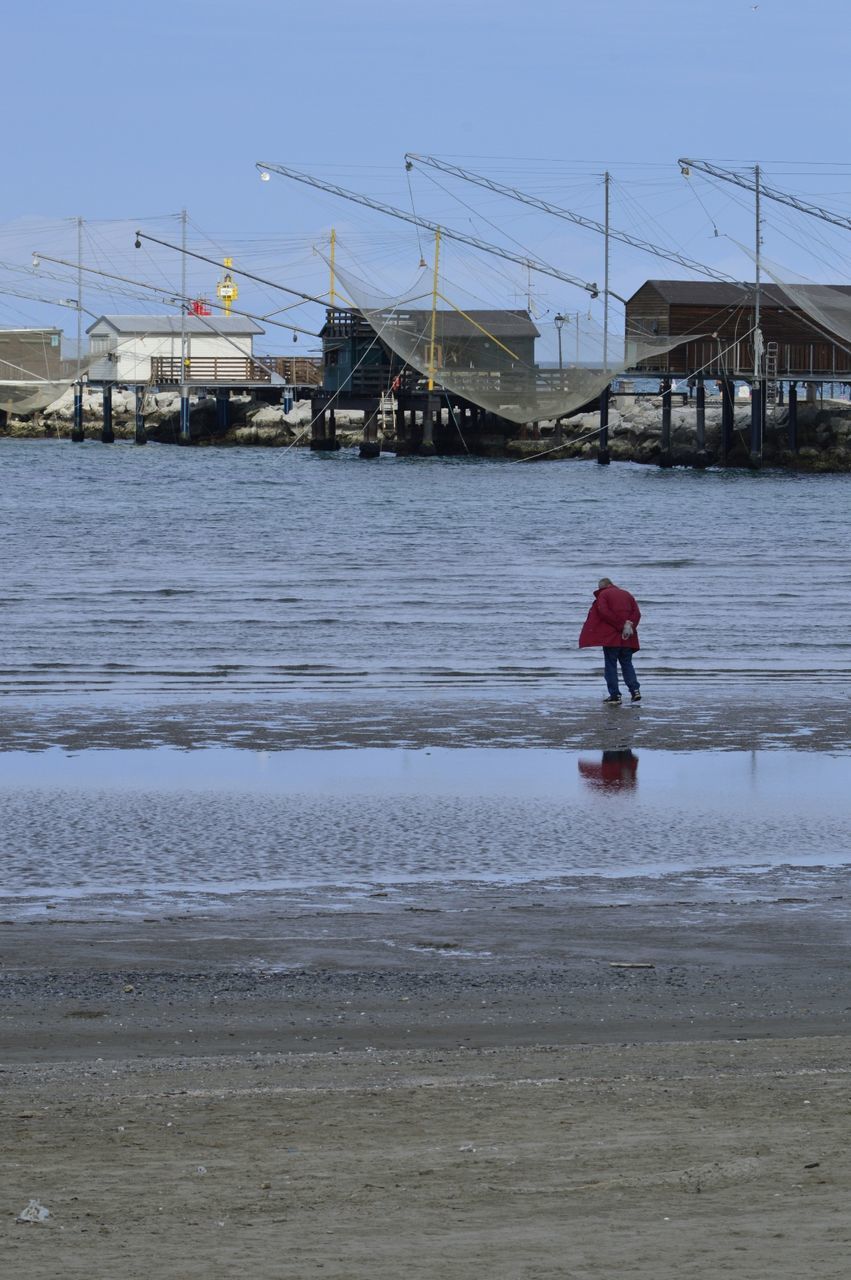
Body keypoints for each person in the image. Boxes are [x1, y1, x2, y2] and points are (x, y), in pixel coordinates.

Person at [578, 577, 641, 704]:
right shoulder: (627, 594)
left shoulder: (603, 595)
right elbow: (637, 613)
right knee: (627, 664)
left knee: (611, 666)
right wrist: (629, 626)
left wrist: (620, 625)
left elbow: (604, 612)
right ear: (612, 584)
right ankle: (635, 691)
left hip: (611, 637)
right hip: (627, 636)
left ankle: (615, 695)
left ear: (602, 587)